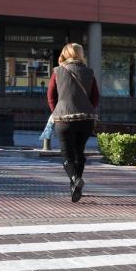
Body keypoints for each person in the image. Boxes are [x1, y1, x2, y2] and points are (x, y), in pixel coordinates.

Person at [47, 43, 99, 202]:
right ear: (80, 54)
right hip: (86, 119)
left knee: (67, 154)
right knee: (79, 153)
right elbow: (95, 97)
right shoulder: (89, 72)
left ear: (65, 53)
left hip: (64, 119)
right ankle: (75, 185)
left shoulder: (57, 71)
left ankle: (75, 180)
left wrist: (56, 110)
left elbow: (51, 95)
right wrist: (86, 108)